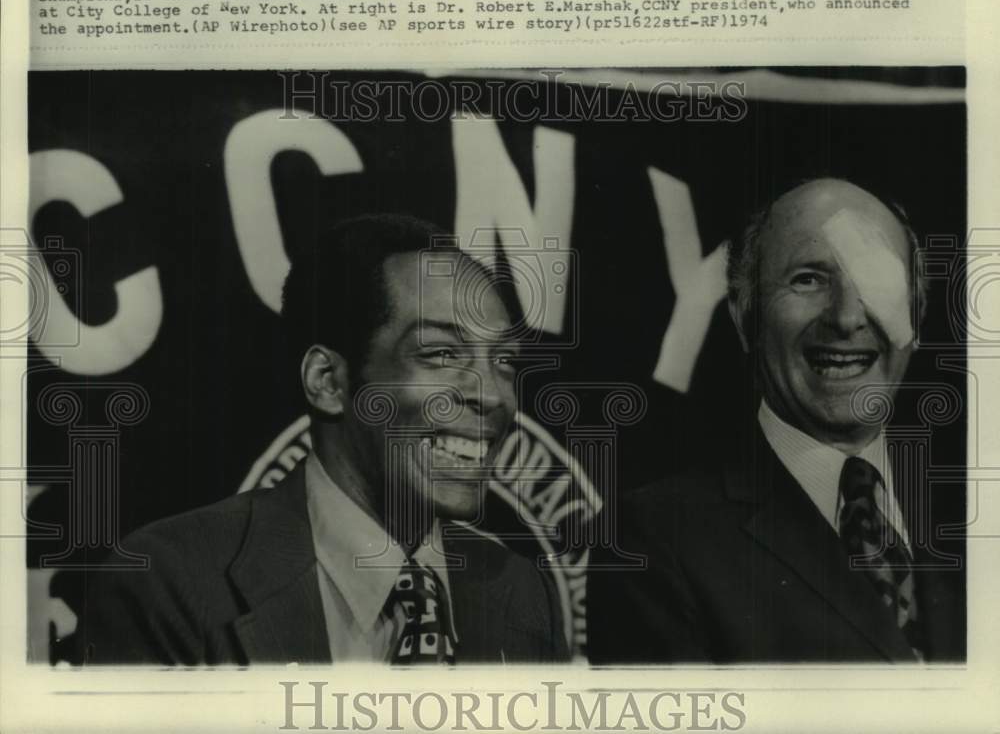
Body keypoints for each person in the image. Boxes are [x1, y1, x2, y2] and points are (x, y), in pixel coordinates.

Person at [76, 214, 569, 665]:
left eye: (505, 361)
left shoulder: (523, 592)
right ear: (328, 382)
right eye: (442, 353)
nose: (494, 396)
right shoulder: (171, 582)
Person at [588, 179, 964, 663]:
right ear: (746, 317)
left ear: (916, 316)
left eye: (877, 278)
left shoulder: (976, 516)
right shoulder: (657, 536)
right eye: (808, 278)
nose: (847, 318)